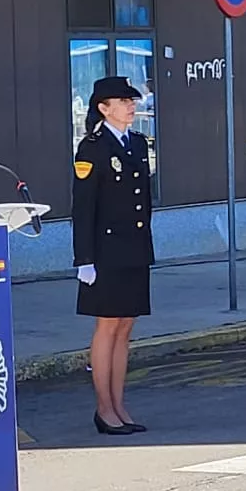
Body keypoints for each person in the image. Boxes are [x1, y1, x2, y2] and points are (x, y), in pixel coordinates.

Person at [73, 75, 154, 435]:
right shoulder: (92, 147)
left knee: (126, 327)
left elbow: (144, 202)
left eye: (132, 101)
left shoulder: (136, 143)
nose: (131, 106)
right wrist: (84, 259)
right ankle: (103, 409)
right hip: (105, 251)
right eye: (123, 102)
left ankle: (120, 405)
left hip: (134, 247)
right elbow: (83, 207)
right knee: (108, 326)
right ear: (104, 108)